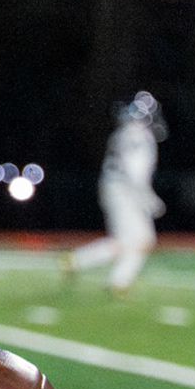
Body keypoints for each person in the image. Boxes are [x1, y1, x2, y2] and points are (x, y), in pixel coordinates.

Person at [65, 91, 166, 297]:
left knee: (130, 240)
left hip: (112, 187)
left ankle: (84, 263)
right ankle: (117, 280)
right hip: (125, 191)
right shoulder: (141, 137)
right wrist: (149, 200)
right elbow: (135, 173)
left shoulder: (122, 133)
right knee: (140, 240)